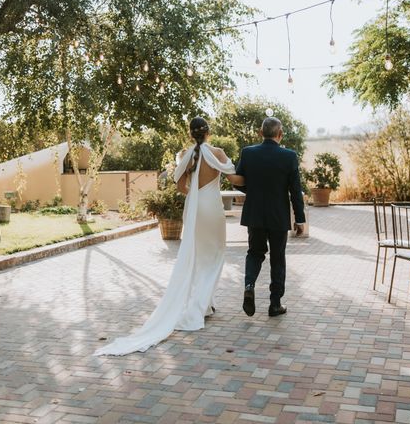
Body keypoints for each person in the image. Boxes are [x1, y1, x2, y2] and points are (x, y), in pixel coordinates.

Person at [94, 117, 244, 356]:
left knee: (197, 255)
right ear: (209, 132)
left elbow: (180, 186)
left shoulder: (187, 154)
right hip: (213, 208)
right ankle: (199, 306)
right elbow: (235, 179)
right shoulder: (218, 152)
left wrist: (196, 191)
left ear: (190, 134)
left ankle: (204, 304)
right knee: (214, 256)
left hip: (195, 208)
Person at [234, 117, 305, 317]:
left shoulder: (248, 153)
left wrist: (254, 189)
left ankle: (249, 285)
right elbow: (295, 190)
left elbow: (238, 182)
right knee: (277, 259)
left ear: (260, 132)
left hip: (254, 214)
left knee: (254, 252)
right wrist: (299, 219)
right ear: (280, 134)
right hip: (278, 216)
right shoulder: (289, 156)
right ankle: (275, 304)